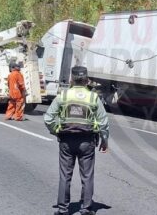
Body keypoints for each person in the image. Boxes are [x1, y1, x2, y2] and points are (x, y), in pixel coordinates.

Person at [44, 66, 109, 215]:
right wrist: (105, 140)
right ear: (86, 80)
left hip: (66, 140)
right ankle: (86, 209)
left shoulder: (64, 96)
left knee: (65, 176)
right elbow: (103, 122)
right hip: (87, 141)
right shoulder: (93, 97)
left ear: (72, 80)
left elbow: (48, 118)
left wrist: (56, 131)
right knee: (87, 176)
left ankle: (62, 209)